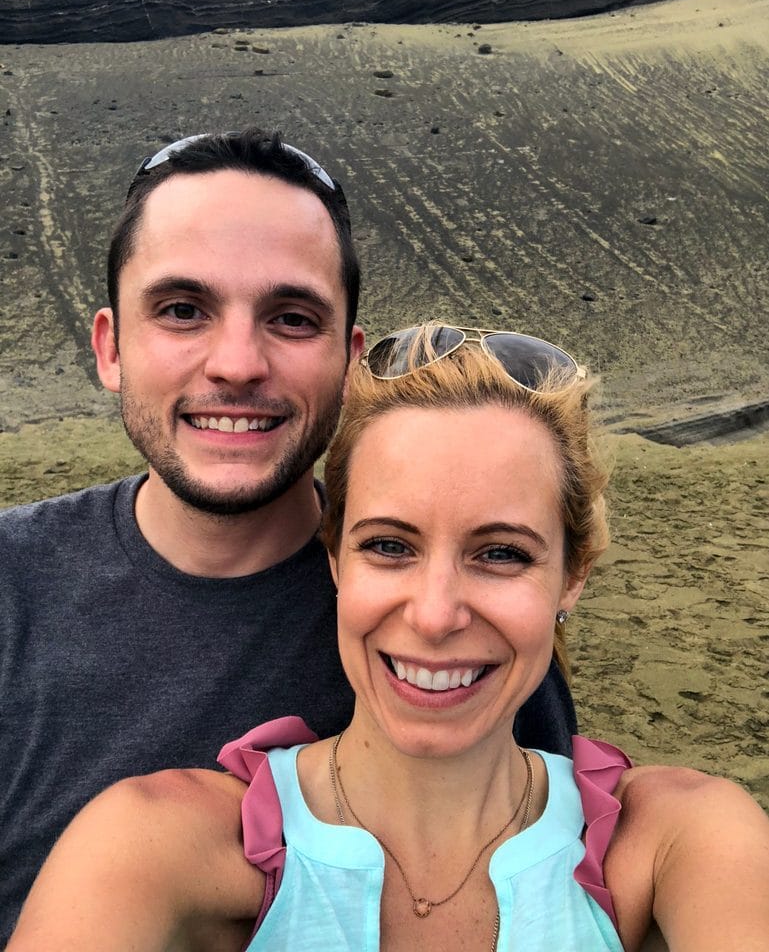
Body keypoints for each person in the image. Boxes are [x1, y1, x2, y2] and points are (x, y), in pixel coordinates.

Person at [8, 323, 769, 951]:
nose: (435, 614)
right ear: (334, 557)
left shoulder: (680, 842)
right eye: (389, 546)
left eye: (500, 553)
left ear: (572, 575)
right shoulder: (155, 846)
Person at [0, 135, 576, 944]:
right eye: (181, 310)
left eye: (291, 317)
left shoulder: (454, 634)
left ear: (347, 363)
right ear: (110, 347)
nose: (237, 363)